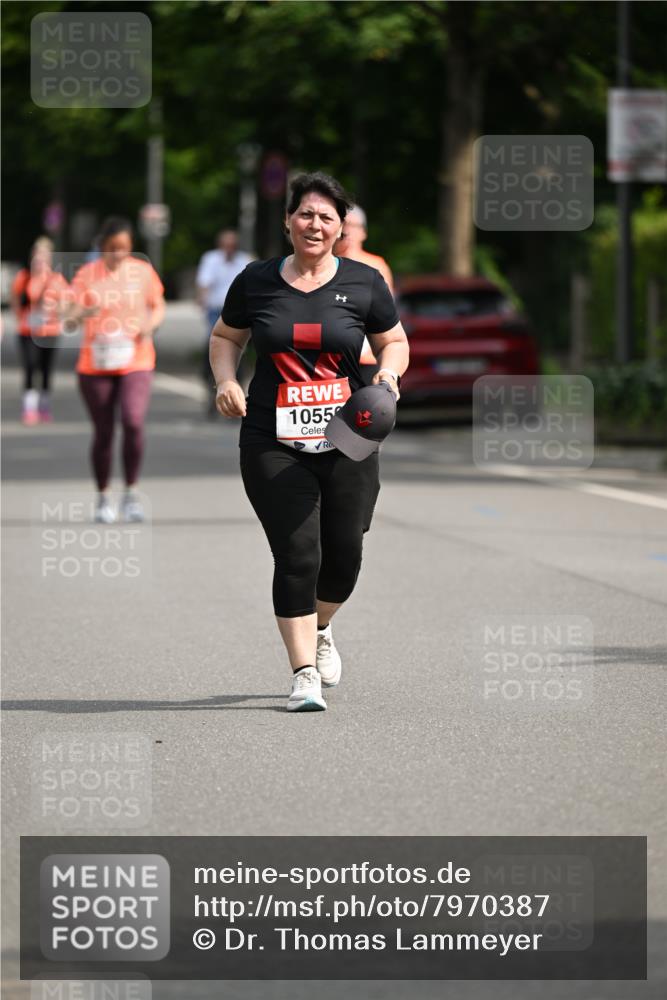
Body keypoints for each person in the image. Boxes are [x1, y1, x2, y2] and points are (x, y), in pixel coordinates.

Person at [210, 172, 409, 712]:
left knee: (344, 553)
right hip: (272, 437)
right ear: (287, 222)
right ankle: (303, 674)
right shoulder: (256, 281)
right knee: (298, 551)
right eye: (305, 214)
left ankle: (321, 628)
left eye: (326, 217)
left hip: (348, 433)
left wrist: (387, 379)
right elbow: (227, 336)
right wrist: (227, 380)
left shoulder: (365, 282)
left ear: (341, 227)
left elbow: (392, 341)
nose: (314, 224)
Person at [67, 217, 165, 524]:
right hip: (95, 364)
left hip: (136, 359)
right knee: (105, 432)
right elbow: (68, 319)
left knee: (134, 421)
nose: (118, 254)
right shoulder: (86, 275)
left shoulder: (142, 271)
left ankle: (131, 492)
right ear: (102, 247)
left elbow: (158, 304)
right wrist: (83, 312)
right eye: (112, 248)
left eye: (124, 248)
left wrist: (150, 325)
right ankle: (103, 496)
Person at [10, 237, 69, 425]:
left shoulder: (56, 280)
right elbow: (15, 299)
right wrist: (20, 316)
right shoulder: (24, 277)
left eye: (44, 257)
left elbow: (66, 304)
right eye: (37, 256)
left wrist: (54, 310)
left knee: (45, 370)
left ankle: (43, 406)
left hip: (50, 331)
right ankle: (29, 408)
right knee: (29, 367)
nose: (40, 260)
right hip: (28, 331)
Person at [196, 229, 252, 412]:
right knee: (213, 346)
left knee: (239, 349)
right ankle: (212, 387)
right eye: (226, 245)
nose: (229, 249)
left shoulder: (244, 261)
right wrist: (202, 301)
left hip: (239, 311)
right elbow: (204, 283)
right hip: (216, 310)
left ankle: (237, 387)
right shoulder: (211, 259)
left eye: (232, 245)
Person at [335, 204, 395, 374]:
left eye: (353, 225)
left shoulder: (376, 266)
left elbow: (386, 314)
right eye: (343, 225)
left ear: (363, 232)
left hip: (367, 358)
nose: (347, 231)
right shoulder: (326, 265)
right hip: (333, 359)